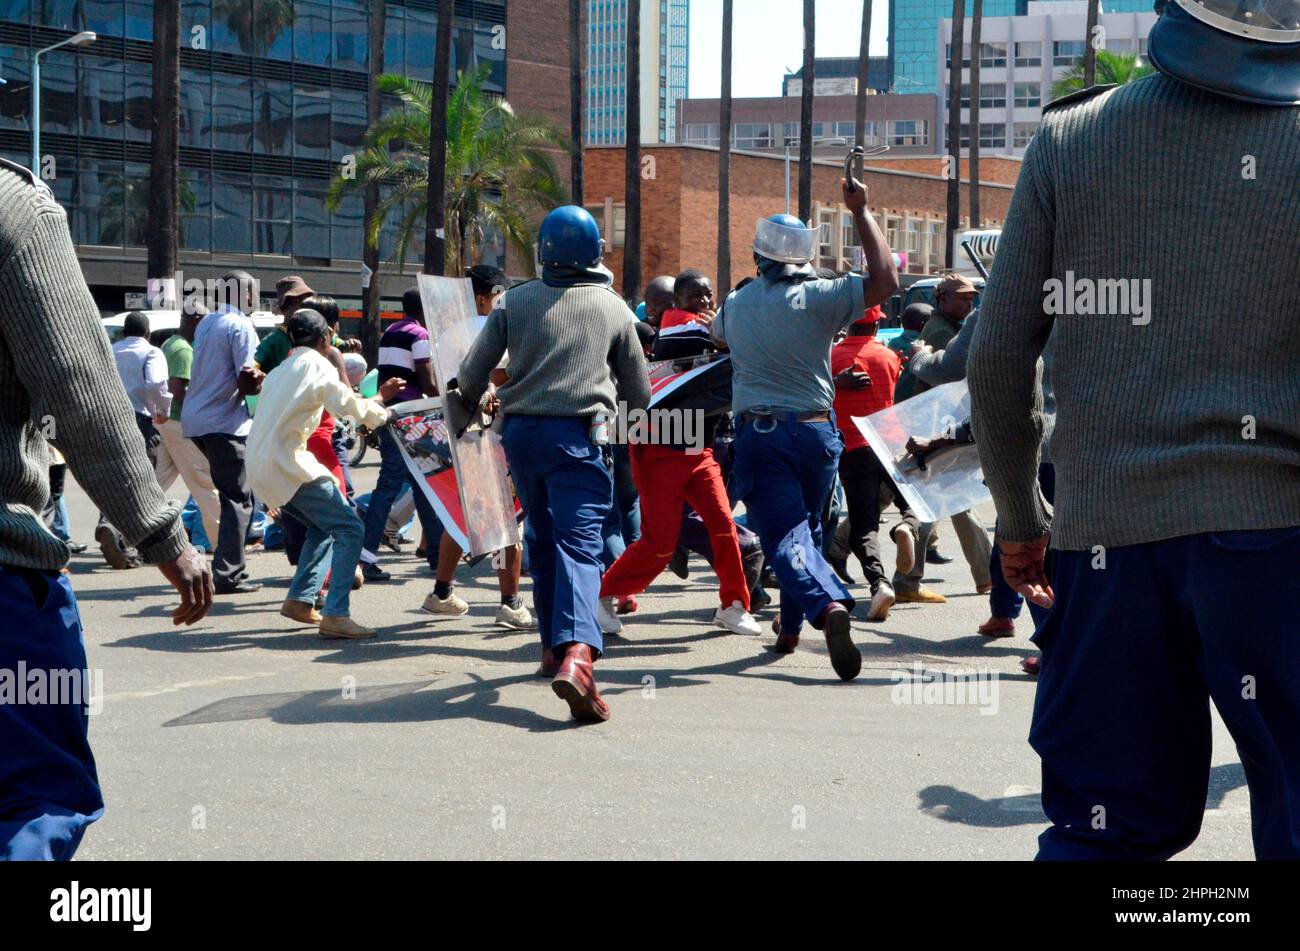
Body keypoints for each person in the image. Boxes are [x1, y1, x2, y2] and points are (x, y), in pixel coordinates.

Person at [967, 0, 1300, 860]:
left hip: (1105, 544)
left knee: (1106, 828)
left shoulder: (1071, 141)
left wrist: (1020, 520)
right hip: (1274, 544)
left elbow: (999, 359)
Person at [0, 155, 212, 861]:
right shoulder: (16, 209)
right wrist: (160, 532)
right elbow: (78, 387)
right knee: (36, 799)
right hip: (6, 579)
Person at [457, 206, 651, 723]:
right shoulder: (614, 308)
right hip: (580, 440)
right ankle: (580, 655)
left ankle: (551, 647)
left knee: (542, 537)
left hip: (521, 438)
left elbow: (472, 376)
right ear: (594, 252)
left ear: (544, 252)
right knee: (581, 547)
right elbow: (638, 393)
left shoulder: (513, 302)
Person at [712, 176, 899, 681]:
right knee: (807, 533)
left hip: (763, 436)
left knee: (783, 538)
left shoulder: (734, 304)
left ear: (759, 257)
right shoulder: (823, 295)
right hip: (818, 434)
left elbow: (719, 339)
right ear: (804, 256)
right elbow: (886, 281)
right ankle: (790, 630)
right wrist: (860, 212)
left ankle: (828, 607)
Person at [599, 269, 761, 637]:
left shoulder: (705, 327)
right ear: (676, 302)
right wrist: (725, 326)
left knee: (723, 527)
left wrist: (723, 327)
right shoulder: (677, 323)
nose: (704, 302)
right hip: (659, 446)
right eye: (695, 296)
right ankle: (604, 593)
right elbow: (736, 345)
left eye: (708, 295)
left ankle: (733, 605)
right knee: (659, 544)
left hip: (695, 446)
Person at [248, 309, 396, 639]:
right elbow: (349, 405)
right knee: (350, 528)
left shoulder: (279, 370)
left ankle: (301, 600)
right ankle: (336, 614)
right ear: (326, 337)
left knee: (324, 526)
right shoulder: (319, 366)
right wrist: (382, 411)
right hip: (287, 463)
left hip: (261, 466)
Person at [424, 265, 534, 630]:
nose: (504, 303)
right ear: (482, 298)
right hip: (494, 434)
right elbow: (502, 376)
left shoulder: (447, 332)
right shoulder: (491, 329)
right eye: (499, 296)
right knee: (507, 521)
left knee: (465, 516)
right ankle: (510, 603)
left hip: (461, 433)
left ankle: (441, 592)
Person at [830, 305, 919, 621]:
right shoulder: (888, 356)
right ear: (876, 326)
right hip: (891, 442)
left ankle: (880, 584)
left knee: (863, 523)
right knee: (912, 502)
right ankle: (906, 527)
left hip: (853, 447)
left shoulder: (833, 358)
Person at [358, 288, 444, 581]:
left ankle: (436, 553)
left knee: (423, 485)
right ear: (425, 308)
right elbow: (426, 380)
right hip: (408, 416)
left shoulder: (391, 331)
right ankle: (366, 557)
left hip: (388, 412)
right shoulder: (419, 335)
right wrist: (447, 402)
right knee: (390, 486)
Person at [93, 310, 171, 569]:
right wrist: (162, 411)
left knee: (112, 476)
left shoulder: (109, 350)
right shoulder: (151, 352)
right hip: (138, 420)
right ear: (148, 333)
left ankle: (108, 523)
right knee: (139, 482)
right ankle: (128, 542)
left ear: (124, 332)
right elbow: (157, 382)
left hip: (107, 418)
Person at [155, 302, 222, 548]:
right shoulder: (183, 350)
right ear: (195, 320)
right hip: (181, 424)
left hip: (166, 422)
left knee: (154, 483)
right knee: (206, 484)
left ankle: (122, 535)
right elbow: (178, 391)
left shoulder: (169, 343)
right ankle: (222, 546)